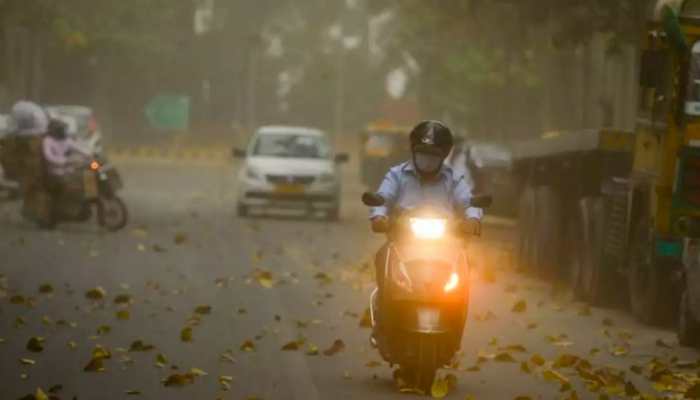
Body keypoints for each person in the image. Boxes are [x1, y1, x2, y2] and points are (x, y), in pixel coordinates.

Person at [368, 120, 483, 344]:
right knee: (382, 258)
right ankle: (383, 319)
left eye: (433, 155)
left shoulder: (454, 179)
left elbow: (469, 201)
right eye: (422, 154)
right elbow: (383, 197)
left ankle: (454, 330)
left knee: (463, 276)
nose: (427, 161)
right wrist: (379, 216)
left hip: (445, 246)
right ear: (413, 151)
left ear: (444, 155)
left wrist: (473, 219)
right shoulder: (396, 175)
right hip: (403, 242)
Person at [41, 118, 91, 228]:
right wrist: (65, 161)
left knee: (81, 180)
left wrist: (89, 154)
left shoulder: (66, 140)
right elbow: (48, 156)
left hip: (66, 170)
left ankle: (78, 208)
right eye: (61, 129)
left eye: (63, 129)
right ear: (54, 130)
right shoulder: (48, 141)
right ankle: (63, 211)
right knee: (68, 186)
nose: (63, 131)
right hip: (53, 171)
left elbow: (78, 148)